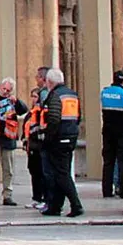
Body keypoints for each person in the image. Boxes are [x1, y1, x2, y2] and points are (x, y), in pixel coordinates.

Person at [39, 68, 84, 218]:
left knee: (61, 174)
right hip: (70, 136)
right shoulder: (72, 94)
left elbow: (53, 119)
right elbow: (78, 117)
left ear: (50, 82)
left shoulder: (55, 95)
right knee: (60, 172)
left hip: (58, 139)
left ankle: (76, 205)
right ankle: (55, 207)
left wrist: (47, 137)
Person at [0, 77, 30, 206]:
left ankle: (7, 195)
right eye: (4, 89)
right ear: (0, 87)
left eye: (9, 90)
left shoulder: (13, 101)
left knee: (9, 170)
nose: (6, 92)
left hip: (8, 139)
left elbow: (24, 110)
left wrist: (16, 101)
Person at [24, 66, 51, 207]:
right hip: (34, 140)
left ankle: (46, 199)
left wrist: (39, 132)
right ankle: (39, 198)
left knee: (42, 171)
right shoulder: (43, 94)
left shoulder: (46, 95)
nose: (36, 79)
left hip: (40, 140)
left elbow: (44, 118)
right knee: (36, 171)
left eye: (37, 77)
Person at [100, 69, 123, 200]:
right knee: (122, 161)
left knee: (108, 162)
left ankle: (106, 190)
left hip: (107, 130)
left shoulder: (105, 92)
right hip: (122, 131)